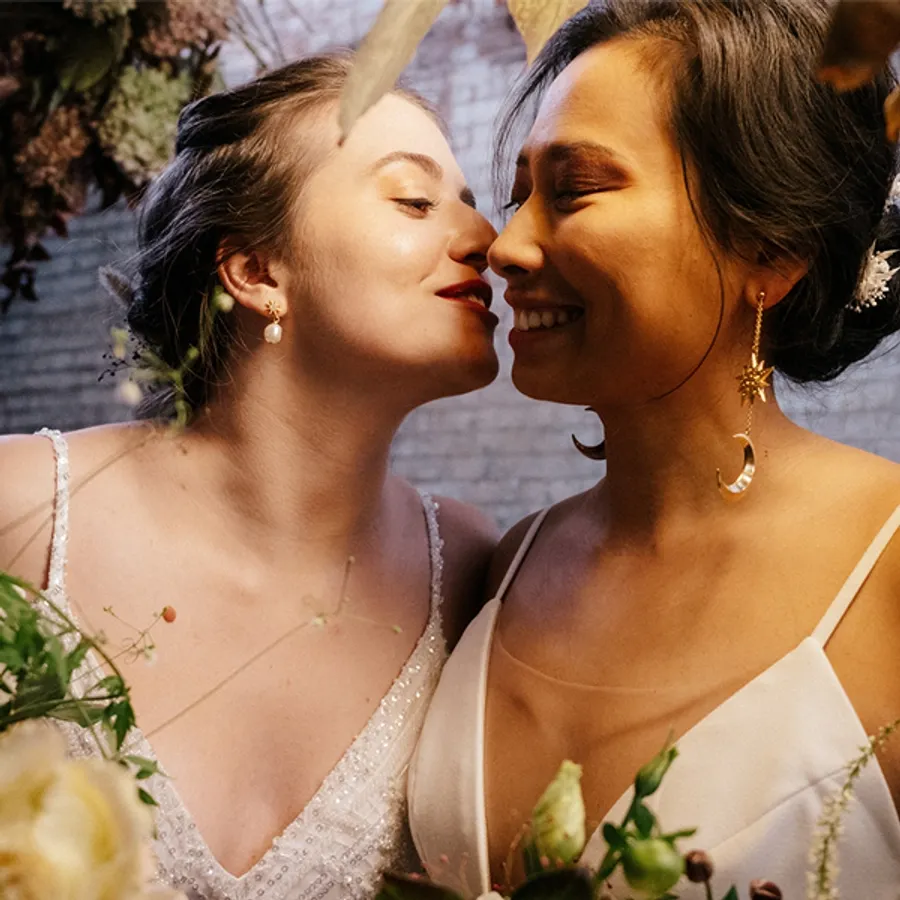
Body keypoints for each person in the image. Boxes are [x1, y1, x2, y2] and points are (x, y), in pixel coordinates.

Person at [409, 2, 900, 896]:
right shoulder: (508, 567)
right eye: (519, 196)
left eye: (575, 190)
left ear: (772, 248)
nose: (505, 247)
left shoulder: (890, 570)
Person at [0, 53, 500, 899]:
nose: (488, 240)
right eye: (415, 201)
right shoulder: (24, 510)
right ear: (258, 271)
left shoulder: (471, 567)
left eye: (471, 203)